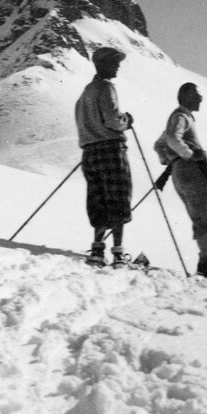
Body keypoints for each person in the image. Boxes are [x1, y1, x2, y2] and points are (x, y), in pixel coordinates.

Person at [154, 82, 207, 277]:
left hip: (181, 171)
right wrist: (189, 155)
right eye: (196, 95)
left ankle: (205, 261)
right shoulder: (181, 116)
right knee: (205, 217)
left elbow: (160, 143)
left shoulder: (179, 117)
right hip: (192, 170)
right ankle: (205, 266)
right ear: (185, 97)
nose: (200, 99)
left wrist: (169, 159)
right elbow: (173, 139)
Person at [74, 46, 134, 267]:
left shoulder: (85, 92)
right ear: (103, 64)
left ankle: (97, 249)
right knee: (118, 197)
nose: (118, 66)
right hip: (110, 149)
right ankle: (118, 253)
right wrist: (126, 121)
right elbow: (112, 120)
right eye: (114, 62)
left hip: (89, 152)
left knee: (97, 199)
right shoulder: (106, 88)